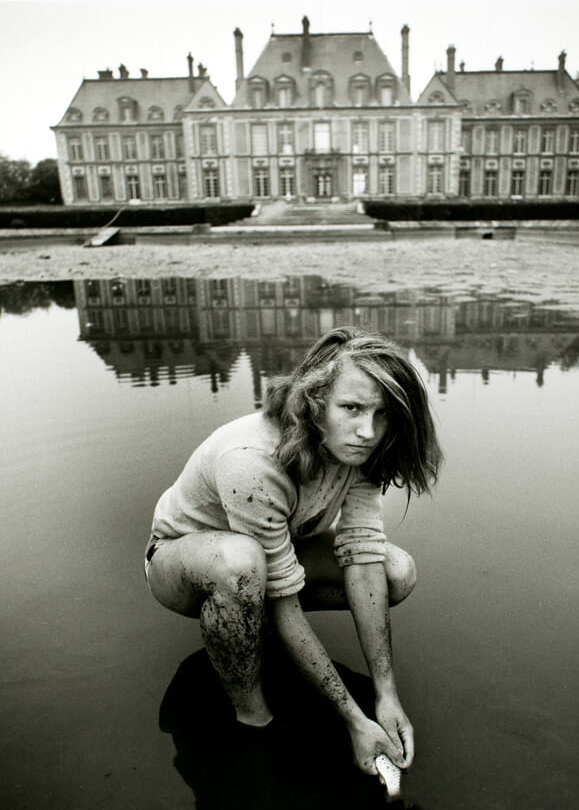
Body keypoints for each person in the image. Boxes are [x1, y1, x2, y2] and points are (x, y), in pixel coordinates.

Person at [145, 326, 442, 776]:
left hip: (276, 555)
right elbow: (281, 599)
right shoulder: (252, 462)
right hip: (183, 565)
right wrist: (351, 719)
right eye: (352, 408)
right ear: (315, 400)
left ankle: (252, 623)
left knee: (395, 571)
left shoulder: (360, 449)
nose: (367, 431)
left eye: (382, 414)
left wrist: (386, 697)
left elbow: (362, 559)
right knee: (241, 566)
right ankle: (253, 718)